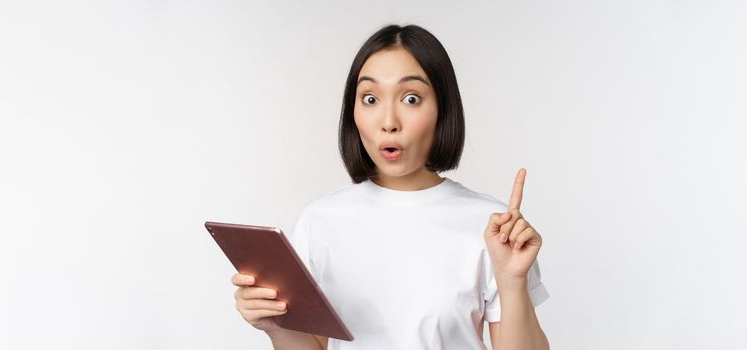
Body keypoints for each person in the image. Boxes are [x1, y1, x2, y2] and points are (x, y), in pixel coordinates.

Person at [230, 24, 550, 349]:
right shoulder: (319, 222)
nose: (388, 121)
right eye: (369, 98)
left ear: (442, 109)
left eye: (411, 98)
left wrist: (512, 283)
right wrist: (278, 327)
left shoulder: (493, 227)